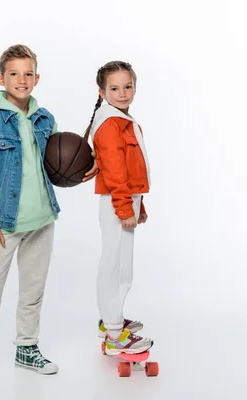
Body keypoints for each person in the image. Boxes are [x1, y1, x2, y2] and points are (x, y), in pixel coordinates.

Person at [0, 44, 98, 382]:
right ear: (1, 78)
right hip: (3, 224)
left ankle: (26, 348)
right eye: (14, 73)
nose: (21, 79)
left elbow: (58, 164)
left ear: (37, 78)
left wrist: (84, 169)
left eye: (28, 73)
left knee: (33, 290)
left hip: (42, 218)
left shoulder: (45, 118)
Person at [84, 60, 154, 355]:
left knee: (122, 265)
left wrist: (139, 204)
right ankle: (114, 333)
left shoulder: (121, 119)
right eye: (115, 88)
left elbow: (132, 168)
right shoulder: (111, 123)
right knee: (116, 267)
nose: (123, 93)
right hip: (117, 202)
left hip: (126, 200)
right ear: (102, 92)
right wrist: (125, 208)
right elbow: (114, 172)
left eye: (128, 87)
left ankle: (111, 320)